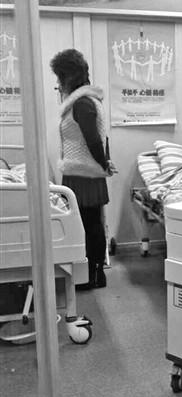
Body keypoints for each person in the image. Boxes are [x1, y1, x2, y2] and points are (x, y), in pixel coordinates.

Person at [50, 49, 117, 290]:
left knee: (88, 226)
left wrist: (104, 163)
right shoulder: (81, 102)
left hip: (84, 175)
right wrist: (104, 162)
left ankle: (94, 274)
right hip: (80, 173)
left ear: (68, 77)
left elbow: (94, 140)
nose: (58, 84)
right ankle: (89, 273)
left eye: (59, 78)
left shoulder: (82, 104)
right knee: (87, 225)